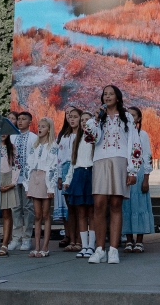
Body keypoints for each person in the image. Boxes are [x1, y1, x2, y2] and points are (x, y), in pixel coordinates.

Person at [86, 85, 140, 265]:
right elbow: (90, 138)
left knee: (116, 204)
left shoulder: (127, 118)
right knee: (99, 204)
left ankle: (114, 250)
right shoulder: (98, 119)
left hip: (120, 161)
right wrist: (95, 119)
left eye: (111, 94)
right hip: (101, 160)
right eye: (104, 94)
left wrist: (133, 169)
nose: (107, 96)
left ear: (117, 97)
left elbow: (134, 143)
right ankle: (100, 249)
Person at [25, 117, 59, 257]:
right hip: (35, 177)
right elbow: (29, 164)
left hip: (46, 178)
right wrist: (27, 185)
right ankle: (37, 246)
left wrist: (51, 187)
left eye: (43, 126)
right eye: (39, 126)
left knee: (46, 214)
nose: (40, 129)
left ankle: (45, 247)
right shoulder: (35, 145)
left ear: (49, 129)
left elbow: (54, 167)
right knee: (37, 215)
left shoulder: (53, 146)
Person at [121, 106, 154, 252]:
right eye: (128, 115)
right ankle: (128, 239)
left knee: (140, 206)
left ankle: (140, 240)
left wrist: (146, 178)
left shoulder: (143, 135)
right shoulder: (122, 134)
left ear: (139, 118)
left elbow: (147, 156)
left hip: (139, 173)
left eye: (134, 115)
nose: (131, 118)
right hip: (124, 173)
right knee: (125, 206)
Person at [65, 109, 97, 258]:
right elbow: (73, 162)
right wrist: (67, 179)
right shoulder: (76, 140)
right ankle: (84, 246)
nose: (84, 122)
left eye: (87, 120)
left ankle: (92, 245)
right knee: (81, 212)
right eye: (82, 120)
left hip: (91, 173)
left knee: (92, 212)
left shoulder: (95, 139)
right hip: (78, 174)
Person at [10, 111, 36, 251]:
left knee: (28, 208)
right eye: (18, 119)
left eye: (23, 119)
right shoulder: (12, 137)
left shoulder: (33, 138)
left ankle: (27, 238)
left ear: (30, 122)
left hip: (28, 178)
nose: (20, 121)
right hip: (14, 178)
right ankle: (16, 238)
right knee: (15, 208)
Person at [56, 108, 80, 250]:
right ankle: (71, 239)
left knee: (79, 208)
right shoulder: (64, 136)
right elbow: (59, 158)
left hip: (78, 169)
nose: (72, 119)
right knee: (70, 207)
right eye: (70, 117)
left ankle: (79, 239)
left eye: (75, 117)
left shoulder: (83, 136)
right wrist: (60, 176)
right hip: (65, 171)